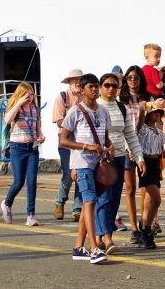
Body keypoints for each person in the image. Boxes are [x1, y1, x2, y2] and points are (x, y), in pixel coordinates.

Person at [59, 74, 111, 264]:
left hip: (99, 163)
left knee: (90, 203)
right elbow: (63, 140)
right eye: (91, 86)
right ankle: (94, 247)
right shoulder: (75, 111)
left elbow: (105, 137)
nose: (95, 90)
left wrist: (109, 148)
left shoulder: (103, 111)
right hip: (82, 162)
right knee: (89, 201)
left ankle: (79, 246)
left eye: (97, 86)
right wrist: (86, 146)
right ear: (82, 89)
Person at [95, 72, 143, 253]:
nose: (110, 89)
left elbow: (130, 134)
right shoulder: (95, 107)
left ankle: (101, 238)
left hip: (120, 158)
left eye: (114, 86)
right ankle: (106, 238)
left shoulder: (122, 108)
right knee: (104, 199)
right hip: (100, 159)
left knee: (114, 200)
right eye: (106, 85)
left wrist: (139, 158)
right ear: (100, 87)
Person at [1, 82, 45, 226]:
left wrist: (41, 136)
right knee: (19, 181)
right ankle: (7, 203)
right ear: (20, 95)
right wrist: (18, 102)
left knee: (32, 181)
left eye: (32, 95)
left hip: (32, 148)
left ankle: (31, 215)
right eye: (27, 95)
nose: (30, 98)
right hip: (17, 148)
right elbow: (7, 120)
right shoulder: (16, 109)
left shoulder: (35, 110)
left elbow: (38, 129)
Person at [120, 66, 154, 244]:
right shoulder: (121, 99)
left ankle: (144, 224)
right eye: (130, 77)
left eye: (136, 77)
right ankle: (133, 227)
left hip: (145, 147)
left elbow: (151, 122)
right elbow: (122, 127)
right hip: (127, 147)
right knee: (130, 188)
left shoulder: (148, 99)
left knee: (145, 189)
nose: (133, 80)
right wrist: (128, 148)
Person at [51, 69, 85, 222]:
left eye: (80, 79)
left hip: (81, 140)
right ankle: (60, 202)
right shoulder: (62, 97)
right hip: (65, 139)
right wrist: (73, 116)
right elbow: (58, 120)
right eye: (74, 79)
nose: (77, 82)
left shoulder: (86, 97)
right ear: (69, 82)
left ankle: (77, 209)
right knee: (68, 174)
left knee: (80, 174)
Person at [135, 108, 165, 249]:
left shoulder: (160, 132)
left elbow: (161, 151)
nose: (158, 114)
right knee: (156, 199)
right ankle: (146, 229)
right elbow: (138, 127)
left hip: (155, 164)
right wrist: (142, 110)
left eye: (159, 113)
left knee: (149, 202)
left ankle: (144, 231)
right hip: (145, 162)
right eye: (154, 112)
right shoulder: (143, 129)